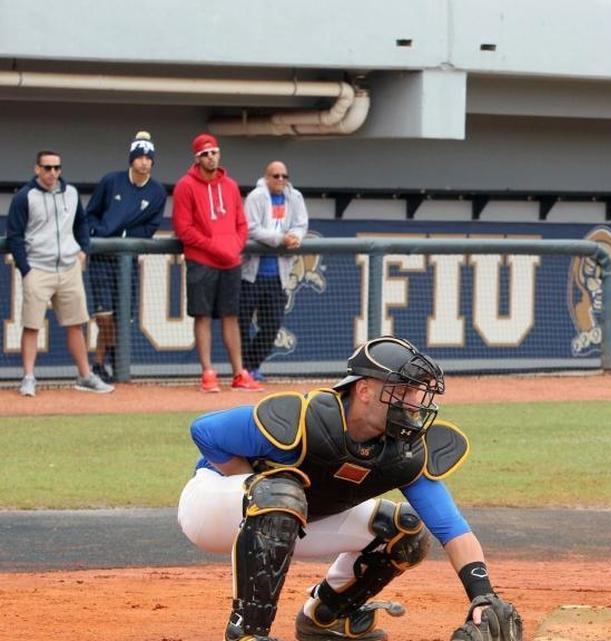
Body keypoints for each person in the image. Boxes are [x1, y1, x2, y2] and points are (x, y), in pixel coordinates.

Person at [176, 336, 523, 641]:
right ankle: (247, 633)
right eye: (402, 390)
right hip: (213, 509)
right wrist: (254, 486)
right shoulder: (306, 419)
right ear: (365, 389)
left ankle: (327, 618)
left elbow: (451, 528)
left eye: (416, 392)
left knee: (406, 533)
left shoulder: (405, 451)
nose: (414, 403)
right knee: (281, 493)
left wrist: (483, 595)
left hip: (293, 515)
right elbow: (204, 430)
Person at [6, 150, 114, 396]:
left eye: (56, 168)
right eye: (47, 168)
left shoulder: (72, 193)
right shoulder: (25, 196)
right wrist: (26, 268)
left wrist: (83, 249)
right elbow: (14, 235)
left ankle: (85, 375)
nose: (52, 172)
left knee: (76, 324)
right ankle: (29, 378)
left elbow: (81, 224)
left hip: (68, 268)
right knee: (32, 325)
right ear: (37, 169)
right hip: (37, 268)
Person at [172, 133, 262, 392]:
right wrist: (217, 248)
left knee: (230, 316)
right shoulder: (185, 186)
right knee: (202, 316)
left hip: (230, 261)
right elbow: (183, 229)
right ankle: (208, 372)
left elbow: (241, 224)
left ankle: (239, 373)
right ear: (197, 158)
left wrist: (233, 247)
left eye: (214, 152)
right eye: (205, 154)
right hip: (202, 261)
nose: (210, 157)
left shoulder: (231, 186)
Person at [85, 131, 167, 383]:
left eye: (148, 157)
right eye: (139, 157)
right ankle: (101, 362)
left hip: (127, 261)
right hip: (102, 257)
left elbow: (151, 227)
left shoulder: (157, 192)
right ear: (131, 159)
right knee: (104, 316)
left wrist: (125, 235)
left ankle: (104, 363)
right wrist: (100, 233)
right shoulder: (111, 181)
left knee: (123, 317)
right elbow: (91, 214)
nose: (143, 161)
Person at [239, 161, 309, 382]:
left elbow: (301, 224)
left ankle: (252, 366)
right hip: (250, 274)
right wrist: (280, 239)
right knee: (241, 323)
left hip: (278, 275)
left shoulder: (294, 197)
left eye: (284, 176)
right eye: (276, 176)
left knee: (271, 325)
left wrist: (295, 237)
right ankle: (243, 370)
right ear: (266, 177)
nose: (280, 180)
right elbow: (251, 228)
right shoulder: (256, 196)